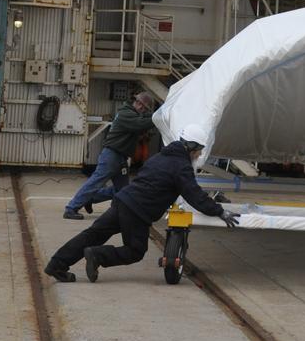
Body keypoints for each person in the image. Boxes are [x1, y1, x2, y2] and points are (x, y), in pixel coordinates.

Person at [44, 127, 240, 283]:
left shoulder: (159, 157)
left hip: (122, 201)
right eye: (198, 151)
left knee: (92, 234)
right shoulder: (181, 166)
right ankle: (97, 255)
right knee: (135, 251)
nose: (198, 155)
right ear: (190, 146)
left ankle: (57, 265)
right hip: (138, 211)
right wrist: (220, 211)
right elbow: (194, 195)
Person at [63, 91, 157, 219]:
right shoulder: (126, 114)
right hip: (112, 155)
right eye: (139, 104)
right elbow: (140, 124)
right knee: (96, 182)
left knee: (123, 190)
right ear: (135, 101)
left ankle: (91, 199)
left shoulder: (132, 114)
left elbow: (143, 122)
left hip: (121, 157)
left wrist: (155, 116)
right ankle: (71, 208)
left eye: (144, 107)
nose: (140, 107)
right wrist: (158, 117)